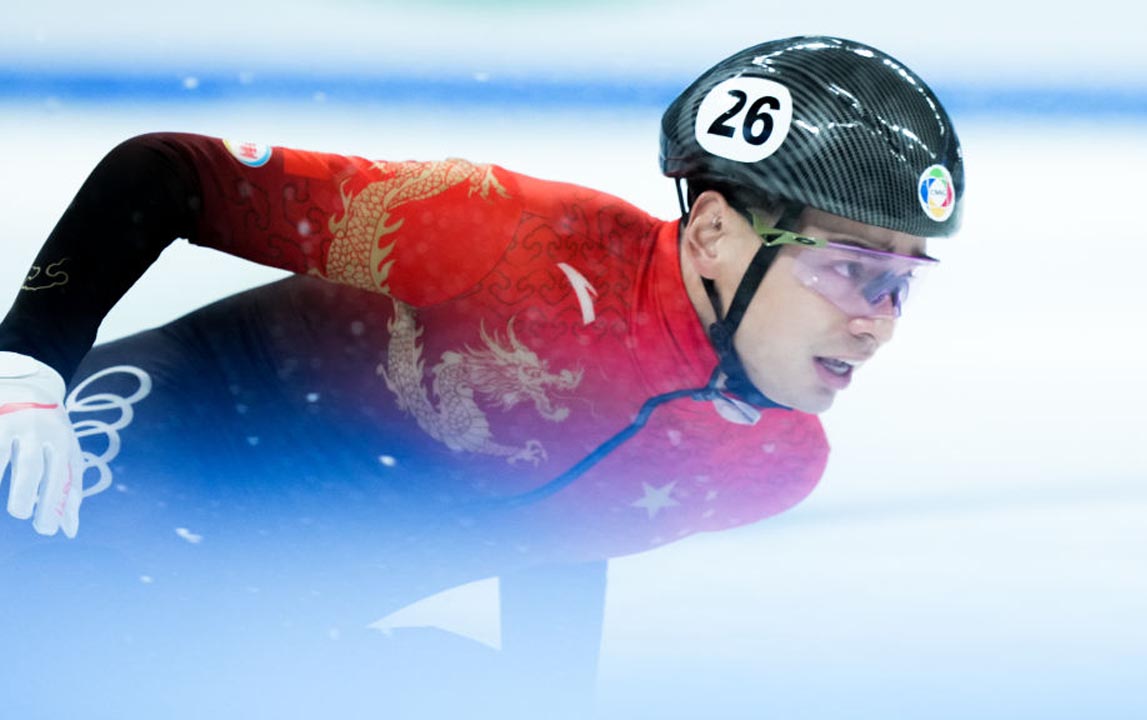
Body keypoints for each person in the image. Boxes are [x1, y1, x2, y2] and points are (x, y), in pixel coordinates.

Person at [0, 36, 963, 717]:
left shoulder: (771, 463)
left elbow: (577, 513)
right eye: (850, 268)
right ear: (713, 232)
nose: (878, 321)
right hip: (135, 451)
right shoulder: (515, 240)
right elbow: (169, 171)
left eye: (902, 282)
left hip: (259, 606)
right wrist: (28, 368)